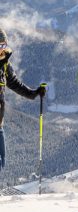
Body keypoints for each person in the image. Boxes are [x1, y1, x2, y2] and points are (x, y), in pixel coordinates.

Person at [0, 27, 47, 172]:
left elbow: (13, 82)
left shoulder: (4, 63)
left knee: (2, 163)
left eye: (4, 45)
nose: (2, 49)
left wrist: (33, 93)